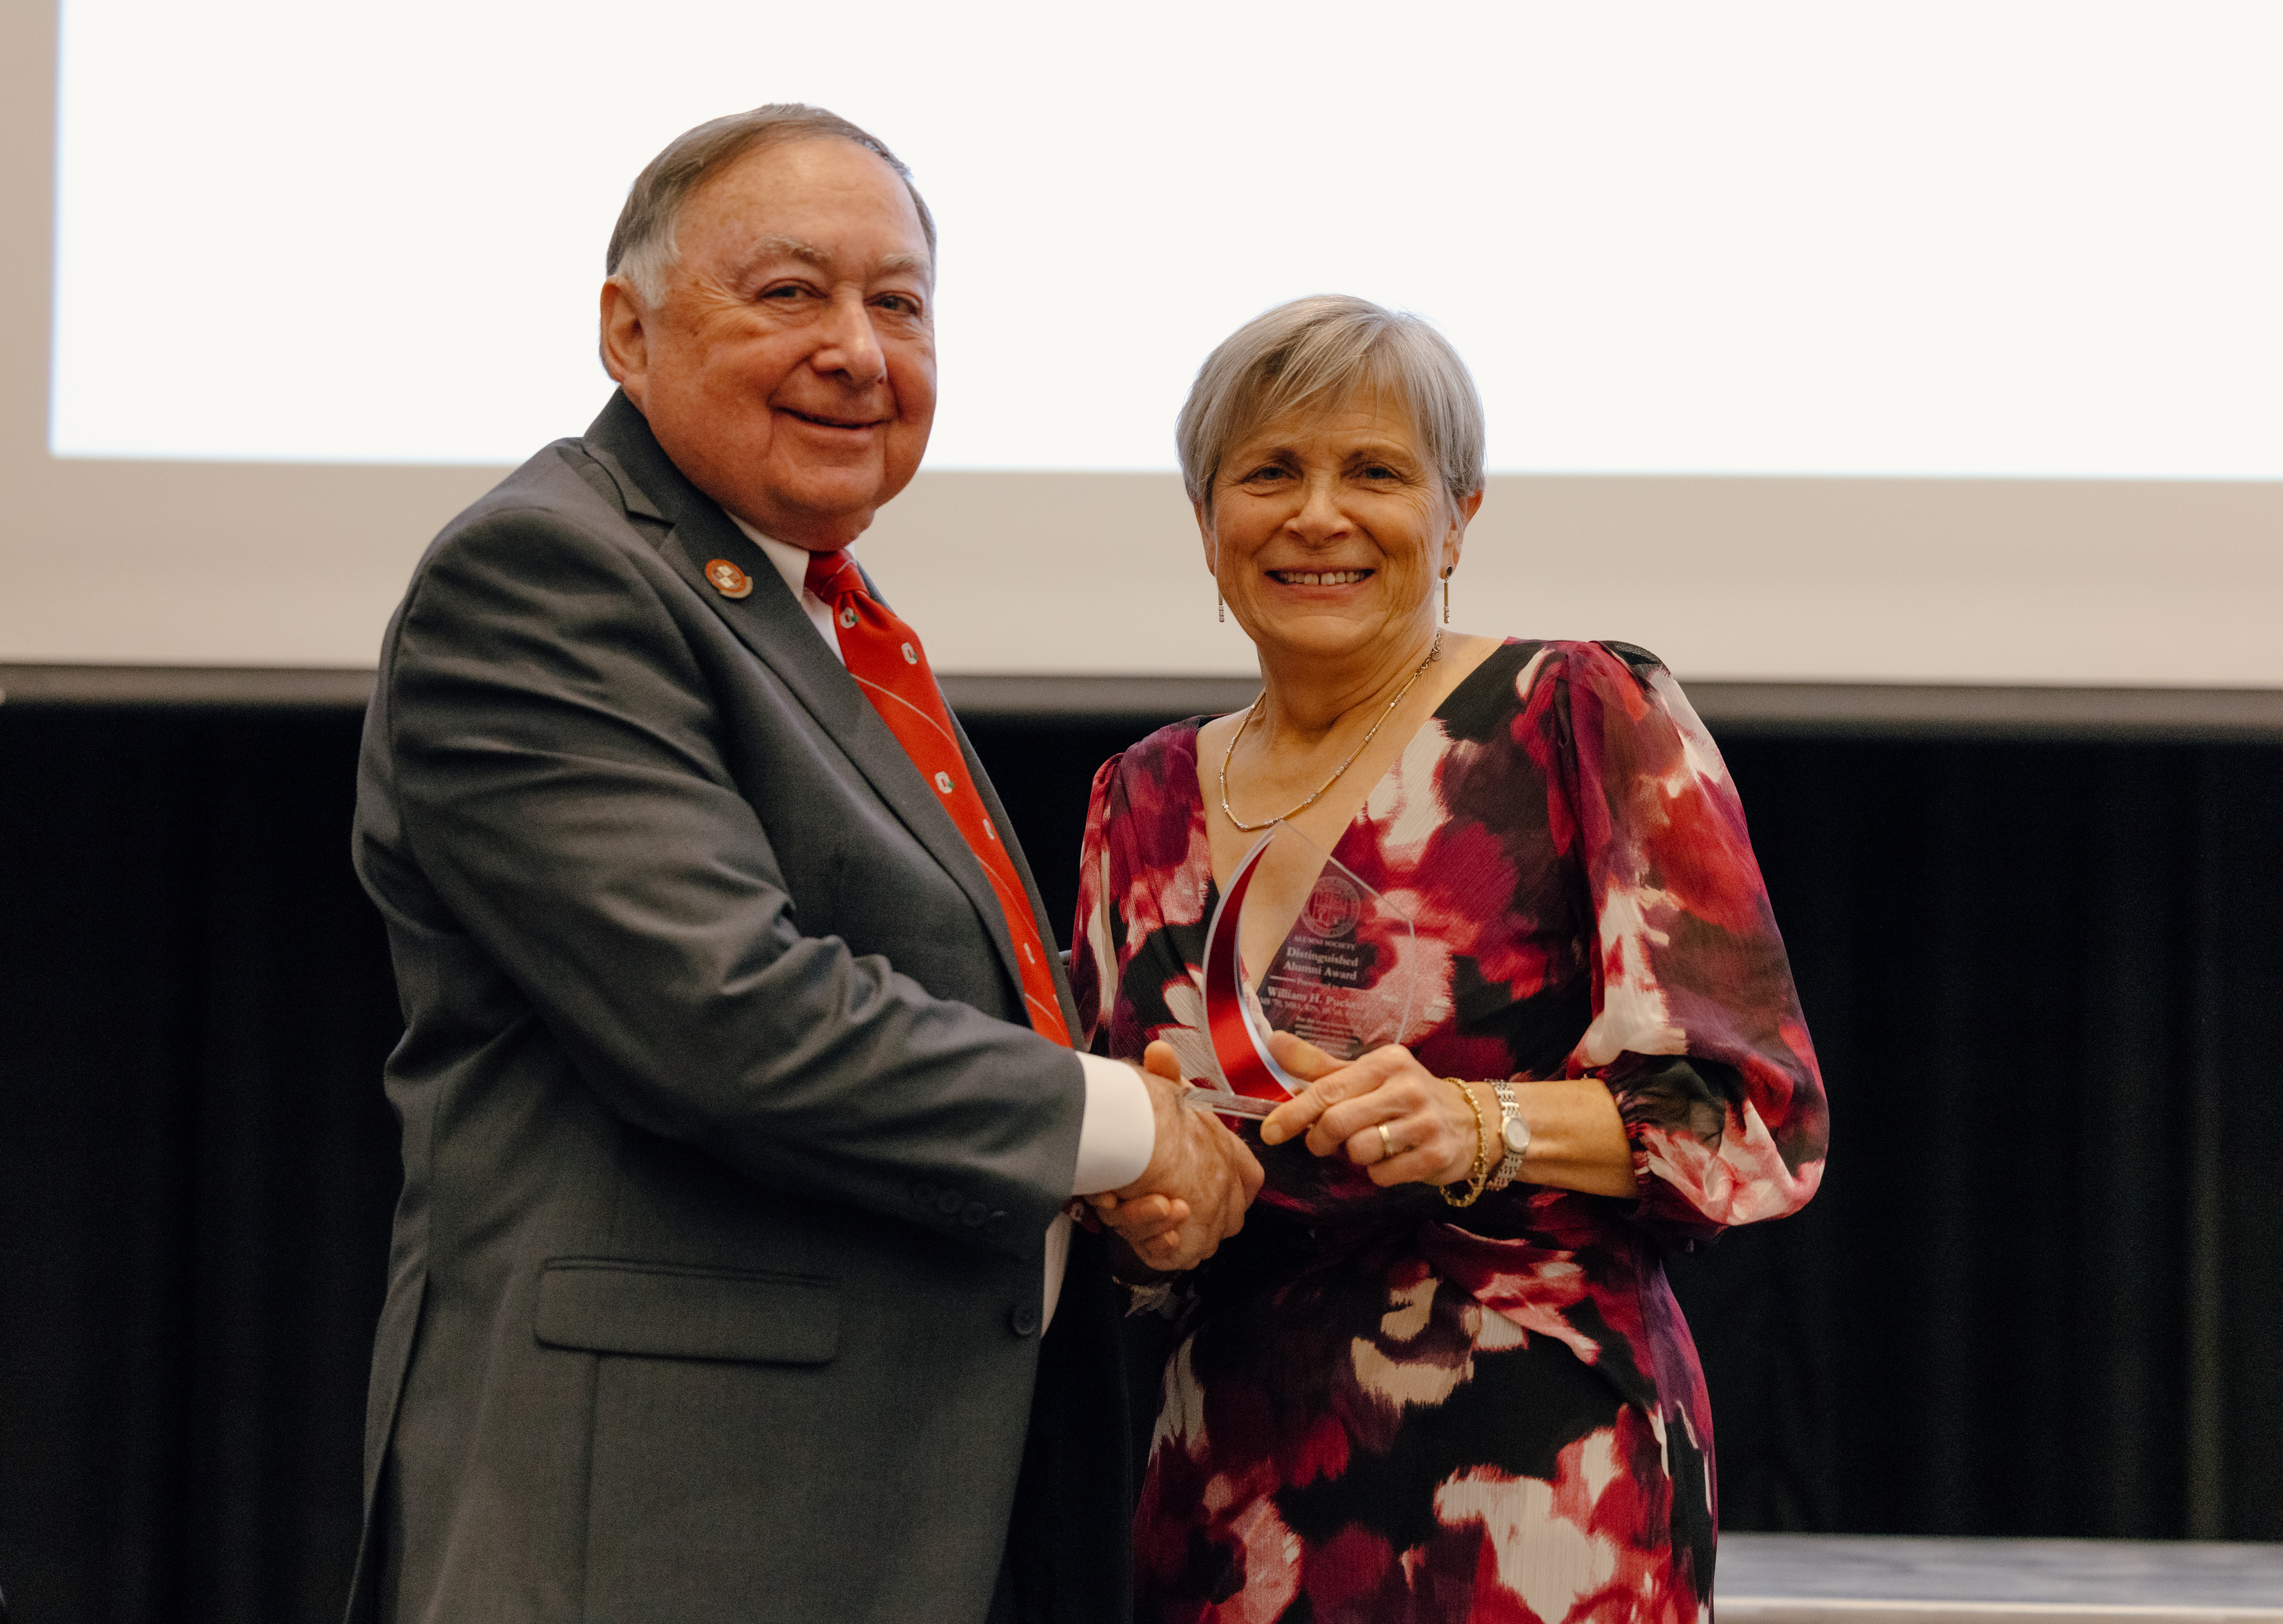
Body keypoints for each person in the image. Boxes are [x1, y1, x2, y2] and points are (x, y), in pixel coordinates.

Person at [346, 105, 1259, 1624]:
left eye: (898, 302)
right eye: (789, 293)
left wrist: (1095, 1183)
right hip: (662, 1528)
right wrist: (1117, 1127)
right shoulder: (546, 574)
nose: (858, 349)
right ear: (625, 333)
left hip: (889, 1511)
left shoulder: (816, 610)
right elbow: (725, 1014)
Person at [1068, 295, 1830, 1621]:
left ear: (1460, 515)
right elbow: (1110, 1134)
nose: (1317, 514)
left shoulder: (1578, 714)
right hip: (1224, 1479)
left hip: (1537, 1471)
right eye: (1268, 473)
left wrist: (1476, 1124)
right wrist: (1141, 1203)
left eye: (1373, 471)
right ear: (1206, 524)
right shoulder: (1138, 799)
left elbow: (1754, 1119)